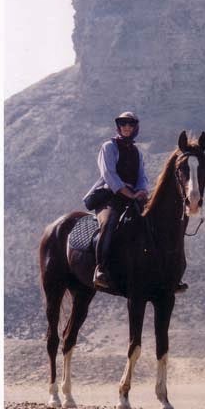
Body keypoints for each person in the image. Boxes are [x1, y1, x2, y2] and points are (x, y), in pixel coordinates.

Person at [85, 111, 149, 292]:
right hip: (110, 196)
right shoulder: (109, 147)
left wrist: (142, 191)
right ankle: (100, 268)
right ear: (118, 127)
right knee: (109, 222)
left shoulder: (137, 152)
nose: (126, 127)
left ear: (135, 127)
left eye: (130, 124)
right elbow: (109, 174)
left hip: (133, 196)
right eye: (123, 124)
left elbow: (142, 176)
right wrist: (127, 192)